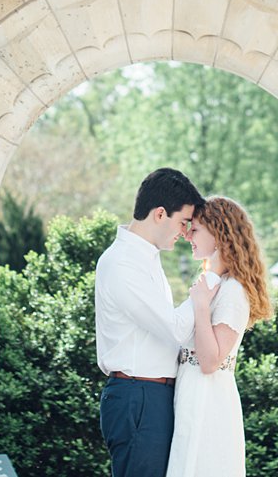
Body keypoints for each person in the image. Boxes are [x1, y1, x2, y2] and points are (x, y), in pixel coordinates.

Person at [95, 168, 207, 477]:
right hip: (138, 396)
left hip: (149, 395)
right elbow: (174, 328)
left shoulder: (144, 259)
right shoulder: (122, 263)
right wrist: (205, 288)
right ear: (160, 214)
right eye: (184, 222)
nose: (186, 233)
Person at [166, 196, 273, 477]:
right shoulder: (216, 283)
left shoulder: (234, 291)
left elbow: (210, 361)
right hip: (190, 391)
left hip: (207, 397)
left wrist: (201, 306)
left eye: (196, 229)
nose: (188, 235)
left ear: (219, 233)